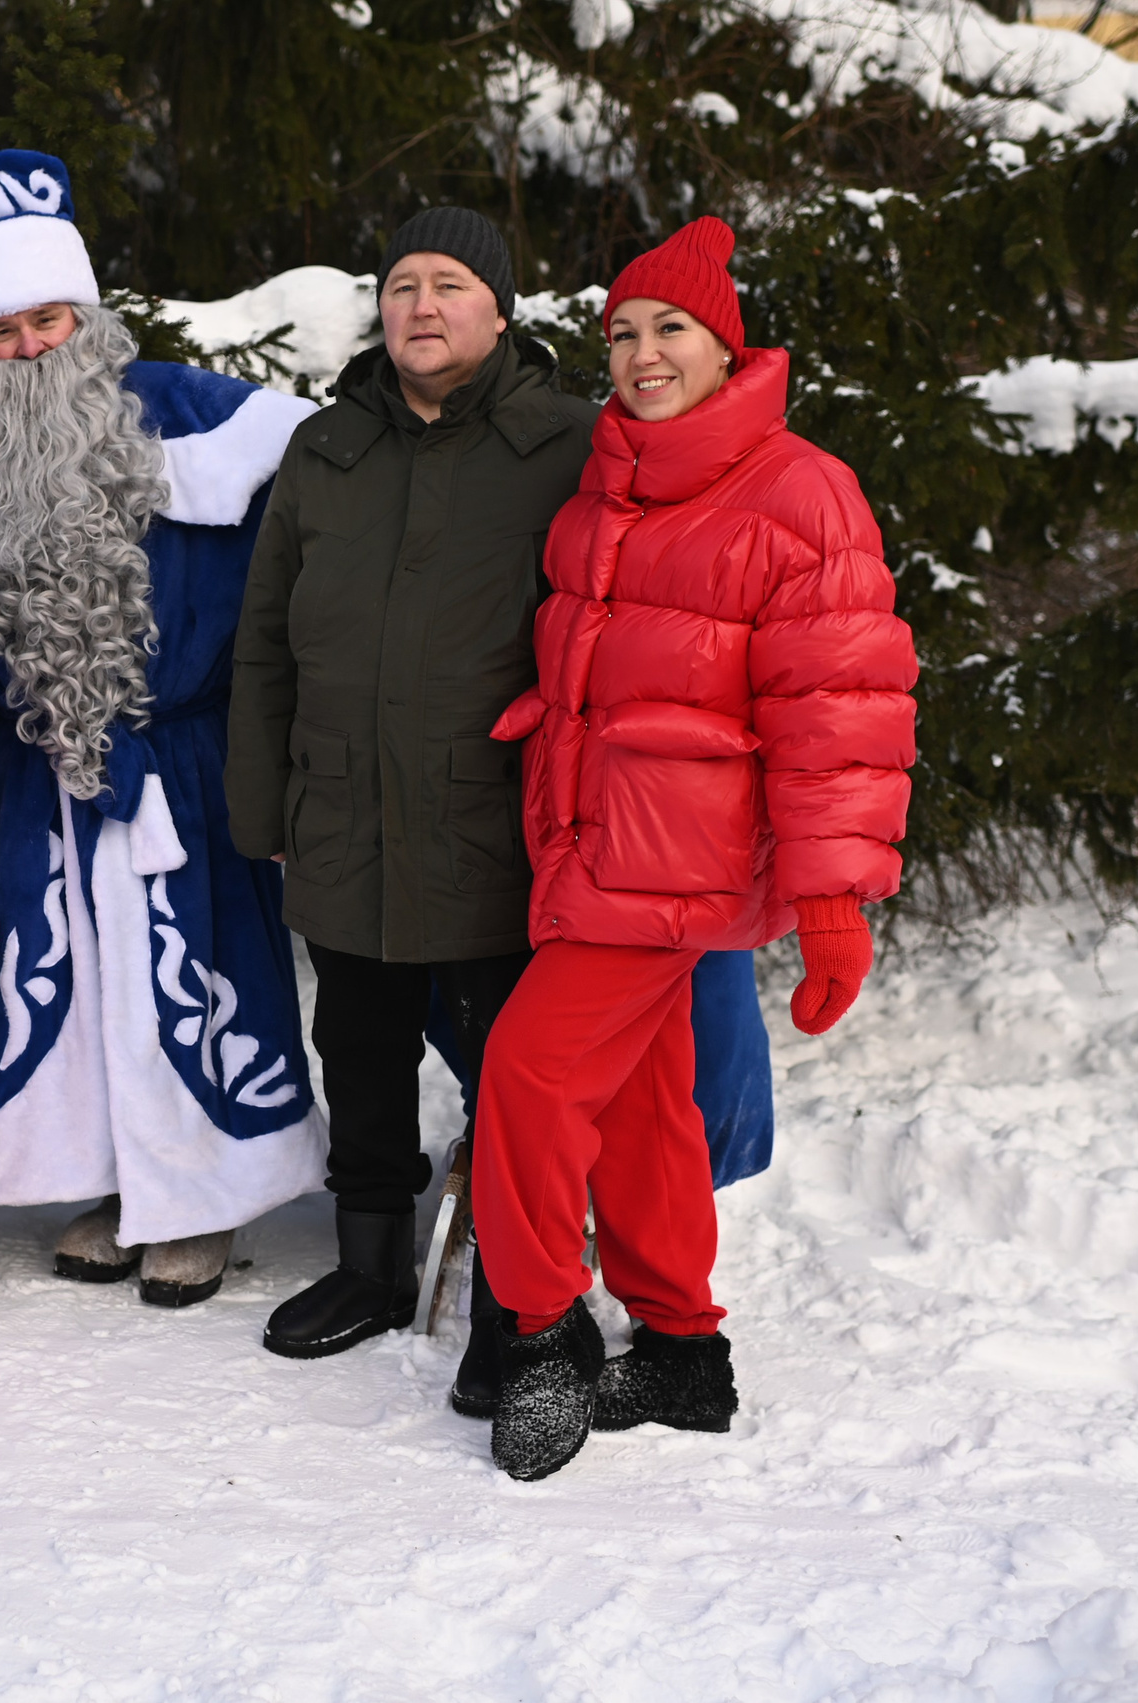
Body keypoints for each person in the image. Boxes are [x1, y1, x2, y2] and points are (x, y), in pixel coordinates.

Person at [474, 216, 917, 1482]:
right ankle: (678, 1348)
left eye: (669, 329)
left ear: (727, 346)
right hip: (591, 837)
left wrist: (834, 896)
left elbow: (839, 709)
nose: (640, 353)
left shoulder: (797, 488)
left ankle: (542, 1333)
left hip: (683, 856)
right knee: (638, 1104)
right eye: (620, 332)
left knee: (529, 1074)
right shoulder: (612, 479)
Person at [0, 149, 328, 1305]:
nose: (29, 349)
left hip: (182, 757)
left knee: (188, 969)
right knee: (75, 980)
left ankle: (200, 1203)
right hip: (35, 765)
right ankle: (117, 1185)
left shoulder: (196, 413)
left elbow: (332, 507)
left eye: (48, 319)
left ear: (84, 315)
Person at [225, 209, 592, 1374]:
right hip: (342, 809)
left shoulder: (572, 445)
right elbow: (267, 643)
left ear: (498, 308)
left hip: (497, 814)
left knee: (510, 1071)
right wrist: (262, 801)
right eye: (399, 287)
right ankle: (371, 1263)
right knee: (360, 1046)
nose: (419, 306)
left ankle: (514, 1298)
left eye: (447, 284)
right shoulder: (326, 450)